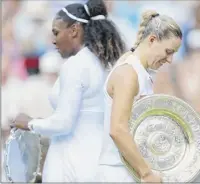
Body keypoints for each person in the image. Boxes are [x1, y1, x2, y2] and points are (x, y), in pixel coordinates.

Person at [10, 0, 125, 182]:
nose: (53, 40)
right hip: (98, 161)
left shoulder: (76, 65)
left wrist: (29, 123)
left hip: (71, 162)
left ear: (74, 30)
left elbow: (64, 123)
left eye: (56, 32)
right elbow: (80, 116)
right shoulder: (103, 63)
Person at [96, 10, 182, 182]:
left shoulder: (141, 72)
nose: (170, 59)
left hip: (130, 171)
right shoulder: (129, 73)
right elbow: (118, 129)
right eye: (168, 51)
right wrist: (146, 173)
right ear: (152, 40)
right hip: (117, 172)